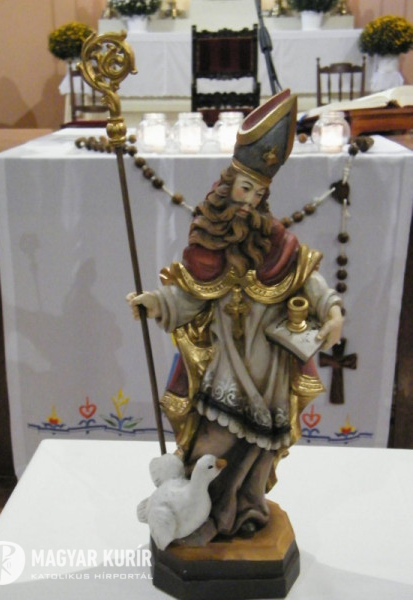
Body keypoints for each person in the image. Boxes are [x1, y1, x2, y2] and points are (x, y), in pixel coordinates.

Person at [127, 90, 343, 545]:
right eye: (246, 189)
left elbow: (311, 284)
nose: (250, 202)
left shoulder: (279, 245)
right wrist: (156, 303)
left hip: (270, 366)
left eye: (259, 194)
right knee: (210, 444)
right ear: (228, 186)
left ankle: (243, 511)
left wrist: (333, 311)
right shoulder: (209, 246)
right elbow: (190, 296)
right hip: (227, 364)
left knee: (259, 450)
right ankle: (192, 514)